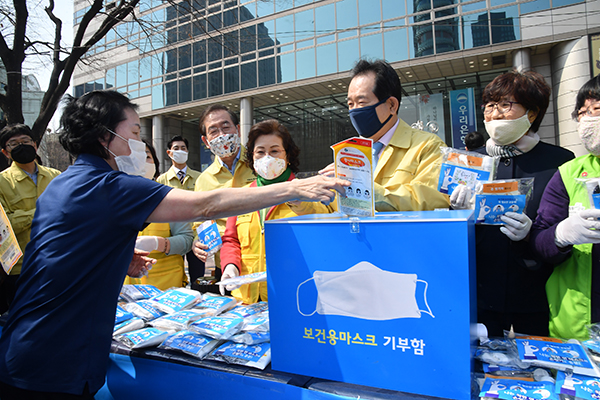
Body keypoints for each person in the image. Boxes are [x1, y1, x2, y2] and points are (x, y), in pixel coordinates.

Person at [0, 90, 348, 399]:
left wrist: (118, 257)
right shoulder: (110, 186)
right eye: (135, 133)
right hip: (55, 362)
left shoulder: (63, 184)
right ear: (105, 137)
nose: (140, 144)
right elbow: (205, 205)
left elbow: (65, 253)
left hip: (28, 344)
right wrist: (294, 187)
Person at [451, 70, 574, 337]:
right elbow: (451, 235)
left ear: (532, 113)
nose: (494, 114)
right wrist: (457, 214)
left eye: (505, 105)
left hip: (538, 295)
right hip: (481, 294)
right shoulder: (471, 162)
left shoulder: (561, 162)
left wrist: (532, 234)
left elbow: (568, 233)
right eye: (490, 106)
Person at [219, 119, 334, 304]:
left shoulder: (305, 190)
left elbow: (323, 225)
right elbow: (231, 240)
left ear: (287, 155)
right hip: (246, 300)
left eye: (274, 151)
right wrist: (230, 265)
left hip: (293, 296)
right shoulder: (242, 195)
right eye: (260, 152)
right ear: (252, 157)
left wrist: (296, 196)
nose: (267, 158)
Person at [320, 59, 449, 211]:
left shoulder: (428, 146)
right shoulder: (349, 152)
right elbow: (332, 207)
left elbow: (430, 199)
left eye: (361, 102)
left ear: (392, 105)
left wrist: (364, 189)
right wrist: (301, 198)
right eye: (350, 104)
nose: (354, 111)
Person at [530, 74, 600, 340]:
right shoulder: (570, 173)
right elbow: (539, 240)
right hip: (575, 329)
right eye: (582, 112)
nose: (588, 119)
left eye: (597, 109)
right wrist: (562, 235)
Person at [0, 124, 60, 314]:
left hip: (55, 263)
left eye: (25, 141)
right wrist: (45, 211)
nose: (21, 146)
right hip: (19, 269)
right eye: (13, 144)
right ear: (5, 152)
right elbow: (6, 226)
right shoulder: (2, 182)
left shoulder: (56, 177)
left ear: (35, 144)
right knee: (22, 320)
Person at [191, 105, 255, 283]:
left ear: (238, 129)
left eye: (226, 127)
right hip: (225, 266)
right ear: (206, 141)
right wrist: (198, 242)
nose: (221, 134)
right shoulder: (203, 181)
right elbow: (200, 223)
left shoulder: (259, 164)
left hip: (262, 260)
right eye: (213, 131)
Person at [124, 139, 194, 290]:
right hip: (124, 290)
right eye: (134, 157)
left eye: (147, 156)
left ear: (155, 163)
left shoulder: (169, 198)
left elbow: (187, 240)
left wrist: (158, 243)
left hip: (166, 288)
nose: (141, 161)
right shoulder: (111, 202)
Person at [156, 135, 203, 284]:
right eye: (176, 148)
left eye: (183, 148)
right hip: (174, 236)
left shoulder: (200, 177)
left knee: (199, 277)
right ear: (169, 153)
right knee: (175, 274)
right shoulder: (161, 180)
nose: (180, 151)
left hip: (197, 235)